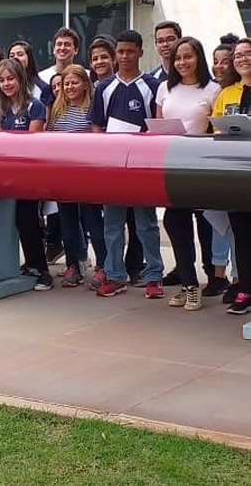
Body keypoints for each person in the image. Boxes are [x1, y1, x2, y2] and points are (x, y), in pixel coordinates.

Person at [88, 29, 164, 299]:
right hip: (112, 169)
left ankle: (154, 275)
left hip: (141, 169)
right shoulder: (104, 87)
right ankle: (115, 275)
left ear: (141, 52)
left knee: (146, 224)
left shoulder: (152, 87)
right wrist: (102, 157)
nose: (124, 56)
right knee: (112, 224)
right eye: (120, 52)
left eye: (130, 51)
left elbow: (156, 127)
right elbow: (97, 125)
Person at [155, 37, 220, 311]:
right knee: (174, 220)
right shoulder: (164, 88)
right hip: (171, 164)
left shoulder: (214, 89)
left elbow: (217, 129)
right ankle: (188, 283)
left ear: (198, 58)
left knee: (205, 223)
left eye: (188, 57)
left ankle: (213, 277)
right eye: (178, 58)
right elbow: (157, 124)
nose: (182, 62)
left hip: (201, 164)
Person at [0, 58, 52, 291]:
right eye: (1, 80)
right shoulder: (3, 109)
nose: (6, 84)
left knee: (29, 221)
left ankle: (43, 271)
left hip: (28, 176)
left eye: (10, 78)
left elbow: (32, 142)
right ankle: (29, 264)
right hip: (7, 176)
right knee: (15, 222)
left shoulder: (35, 106)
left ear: (21, 78)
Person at [47, 65, 106, 287]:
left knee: (93, 222)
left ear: (85, 84)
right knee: (68, 224)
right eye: (66, 83)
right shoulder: (57, 109)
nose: (70, 87)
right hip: (63, 177)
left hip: (87, 176)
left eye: (74, 82)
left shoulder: (91, 108)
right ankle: (74, 265)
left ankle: (103, 266)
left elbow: (97, 141)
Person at [212, 36, 251, 313]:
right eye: (238, 55)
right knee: (241, 235)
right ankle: (246, 289)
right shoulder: (227, 93)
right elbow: (215, 127)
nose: (241, 59)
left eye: (247, 54)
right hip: (236, 174)